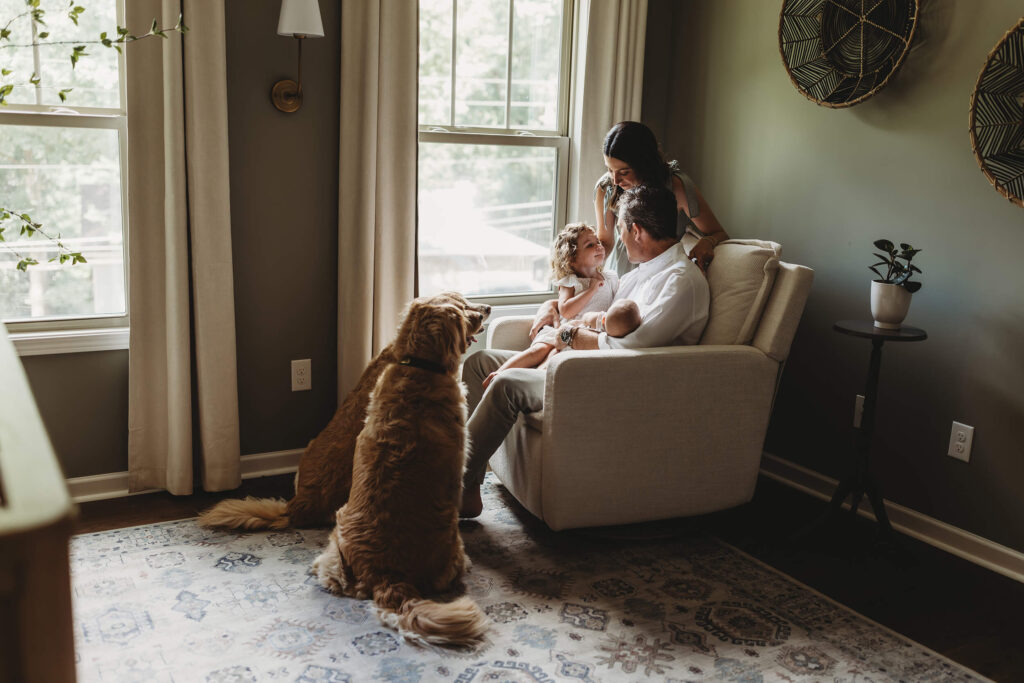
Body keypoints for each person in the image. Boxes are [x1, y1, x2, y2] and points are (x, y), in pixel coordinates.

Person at [460, 184, 710, 518]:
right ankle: (472, 485)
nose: (617, 238)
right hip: (574, 359)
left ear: (636, 230)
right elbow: (591, 304)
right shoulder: (640, 274)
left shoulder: (680, 282)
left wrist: (569, 334)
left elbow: (628, 346)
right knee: (479, 364)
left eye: (620, 228)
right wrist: (550, 308)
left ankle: (452, 486)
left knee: (507, 385)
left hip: (602, 376)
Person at [481, 223, 630, 389]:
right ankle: (500, 373)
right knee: (539, 351)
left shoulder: (610, 277)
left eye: (598, 242)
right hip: (563, 329)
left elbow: (620, 299)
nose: (599, 247)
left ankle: (527, 380)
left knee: (554, 356)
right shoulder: (570, 282)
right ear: (572, 259)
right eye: (590, 245)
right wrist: (591, 290)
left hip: (582, 333)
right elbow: (566, 310)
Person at [597, 120, 729, 275]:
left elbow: (719, 233)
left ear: (643, 164)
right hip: (622, 272)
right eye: (610, 170)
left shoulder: (676, 186)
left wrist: (707, 241)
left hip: (664, 272)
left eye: (624, 172)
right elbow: (605, 241)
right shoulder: (607, 188)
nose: (615, 180)